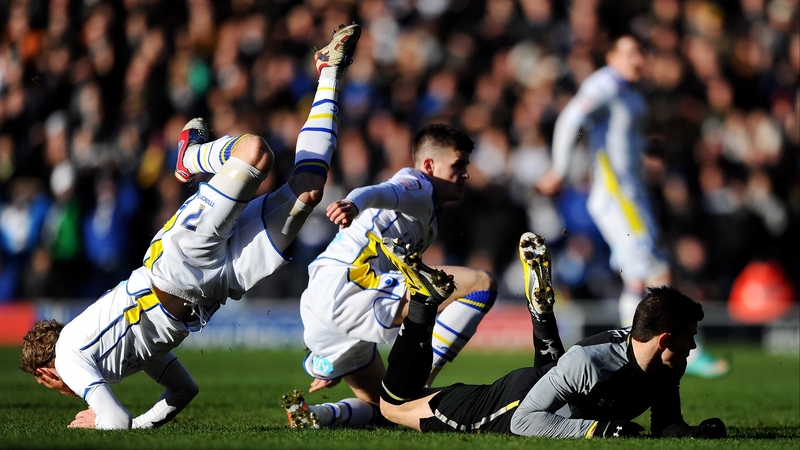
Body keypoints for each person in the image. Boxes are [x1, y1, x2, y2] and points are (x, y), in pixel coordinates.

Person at [17, 24, 363, 430]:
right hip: (211, 288)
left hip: (176, 264)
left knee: (255, 153)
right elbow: (183, 391)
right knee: (308, 191)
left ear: (45, 374)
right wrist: (146, 426)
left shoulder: (69, 357)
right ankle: (329, 72)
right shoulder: (120, 350)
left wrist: (91, 423)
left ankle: (189, 158)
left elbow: (114, 420)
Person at [377, 232, 727, 439]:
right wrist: (599, 431)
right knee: (391, 406)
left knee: (556, 376)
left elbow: (664, 425)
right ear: (664, 339)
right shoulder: (592, 362)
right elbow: (523, 421)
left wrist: (692, 433)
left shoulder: (669, 365)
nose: (693, 346)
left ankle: (542, 316)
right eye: (689, 338)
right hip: (503, 406)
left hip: (552, 386)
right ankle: (423, 304)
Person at [535, 33, 728, 378]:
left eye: (642, 53)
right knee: (657, 272)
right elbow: (570, 119)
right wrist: (559, 169)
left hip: (633, 194)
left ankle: (633, 360)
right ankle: (680, 349)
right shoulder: (605, 84)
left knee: (638, 278)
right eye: (631, 53)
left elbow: (624, 138)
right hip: (617, 196)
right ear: (611, 57)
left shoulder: (631, 93)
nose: (638, 60)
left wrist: (649, 149)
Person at [281, 123, 498, 428]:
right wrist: (353, 203)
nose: (466, 174)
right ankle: (420, 375)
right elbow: (379, 192)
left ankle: (316, 414)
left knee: (387, 411)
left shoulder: (429, 218)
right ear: (429, 165)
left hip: (321, 298)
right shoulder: (418, 185)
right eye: (458, 165)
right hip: (352, 286)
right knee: (481, 284)